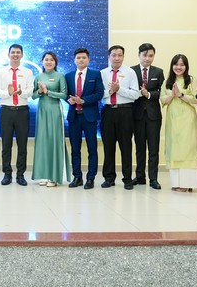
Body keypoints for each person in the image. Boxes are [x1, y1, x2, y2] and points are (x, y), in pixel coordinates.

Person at [100, 45, 141, 190]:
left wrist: (119, 89)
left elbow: (135, 94)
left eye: (120, 55)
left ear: (123, 56)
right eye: (114, 55)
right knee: (108, 146)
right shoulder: (102, 73)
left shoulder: (130, 72)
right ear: (109, 56)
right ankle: (109, 178)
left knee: (126, 146)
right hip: (108, 112)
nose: (117, 58)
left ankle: (127, 179)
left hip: (125, 112)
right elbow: (99, 94)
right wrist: (110, 91)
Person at [64, 47, 104, 189]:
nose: (81, 60)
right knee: (75, 148)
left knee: (92, 148)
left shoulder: (95, 74)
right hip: (74, 117)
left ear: (88, 59)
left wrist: (84, 100)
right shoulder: (68, 76)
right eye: (78, 58)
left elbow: (99, 93)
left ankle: (91, 178)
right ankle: (77, 177)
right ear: (74, 60)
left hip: (89, 117)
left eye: (84, 57)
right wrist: (69, 99)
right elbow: (65, 93)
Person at [0, 44, 34, 186]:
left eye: (18, 52)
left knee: (22, 145)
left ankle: (20, 175)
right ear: (9, 54)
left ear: (22, 55)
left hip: (22, 111)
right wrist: (9, 93)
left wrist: (21, 92)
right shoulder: (1, 73)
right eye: (13, 52)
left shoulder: (28, 72)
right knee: (6, 145)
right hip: (6, 111)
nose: (15, 55)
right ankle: (7, 174)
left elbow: (31, 91)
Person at [160, 54, 197, 192]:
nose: (179, 67)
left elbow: (196, 99)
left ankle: (187, 183)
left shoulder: (191, 80)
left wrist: (180, 95)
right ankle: (176, 183)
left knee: (187, 149)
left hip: (187, 119)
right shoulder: (167, 81)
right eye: (176, 64)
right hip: (172, 119)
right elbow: (163, 100)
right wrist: (172, 94)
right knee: (174, 148)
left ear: (186, 66)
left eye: (182, 65)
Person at [31, 52, 69, 186]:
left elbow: (64, 95)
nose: (49, 62)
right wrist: (40, 91)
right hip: (42, 110)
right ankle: (44, 174)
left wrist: (48, 92)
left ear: (55, 62)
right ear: (42, 62)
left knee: (54, 140)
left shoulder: (60, 76)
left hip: (55, 110)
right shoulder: (38, 76)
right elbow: (33, 95)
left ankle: (54, 176)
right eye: (46, 60)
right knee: (42, 141)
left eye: (51, 60)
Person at [131, 43, 165, 190]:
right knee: (139, 147)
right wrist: (138, 93)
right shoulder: (131, 71)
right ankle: (140, 177)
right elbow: (128, 90)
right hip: (136, 114)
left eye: (150, 55)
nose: (147, 58)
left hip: (153, 115)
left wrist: (149, 94)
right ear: (139, 55)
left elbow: (162, 92)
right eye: (145, 55)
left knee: (153, 148)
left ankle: (153, 178)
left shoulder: (158, 72)